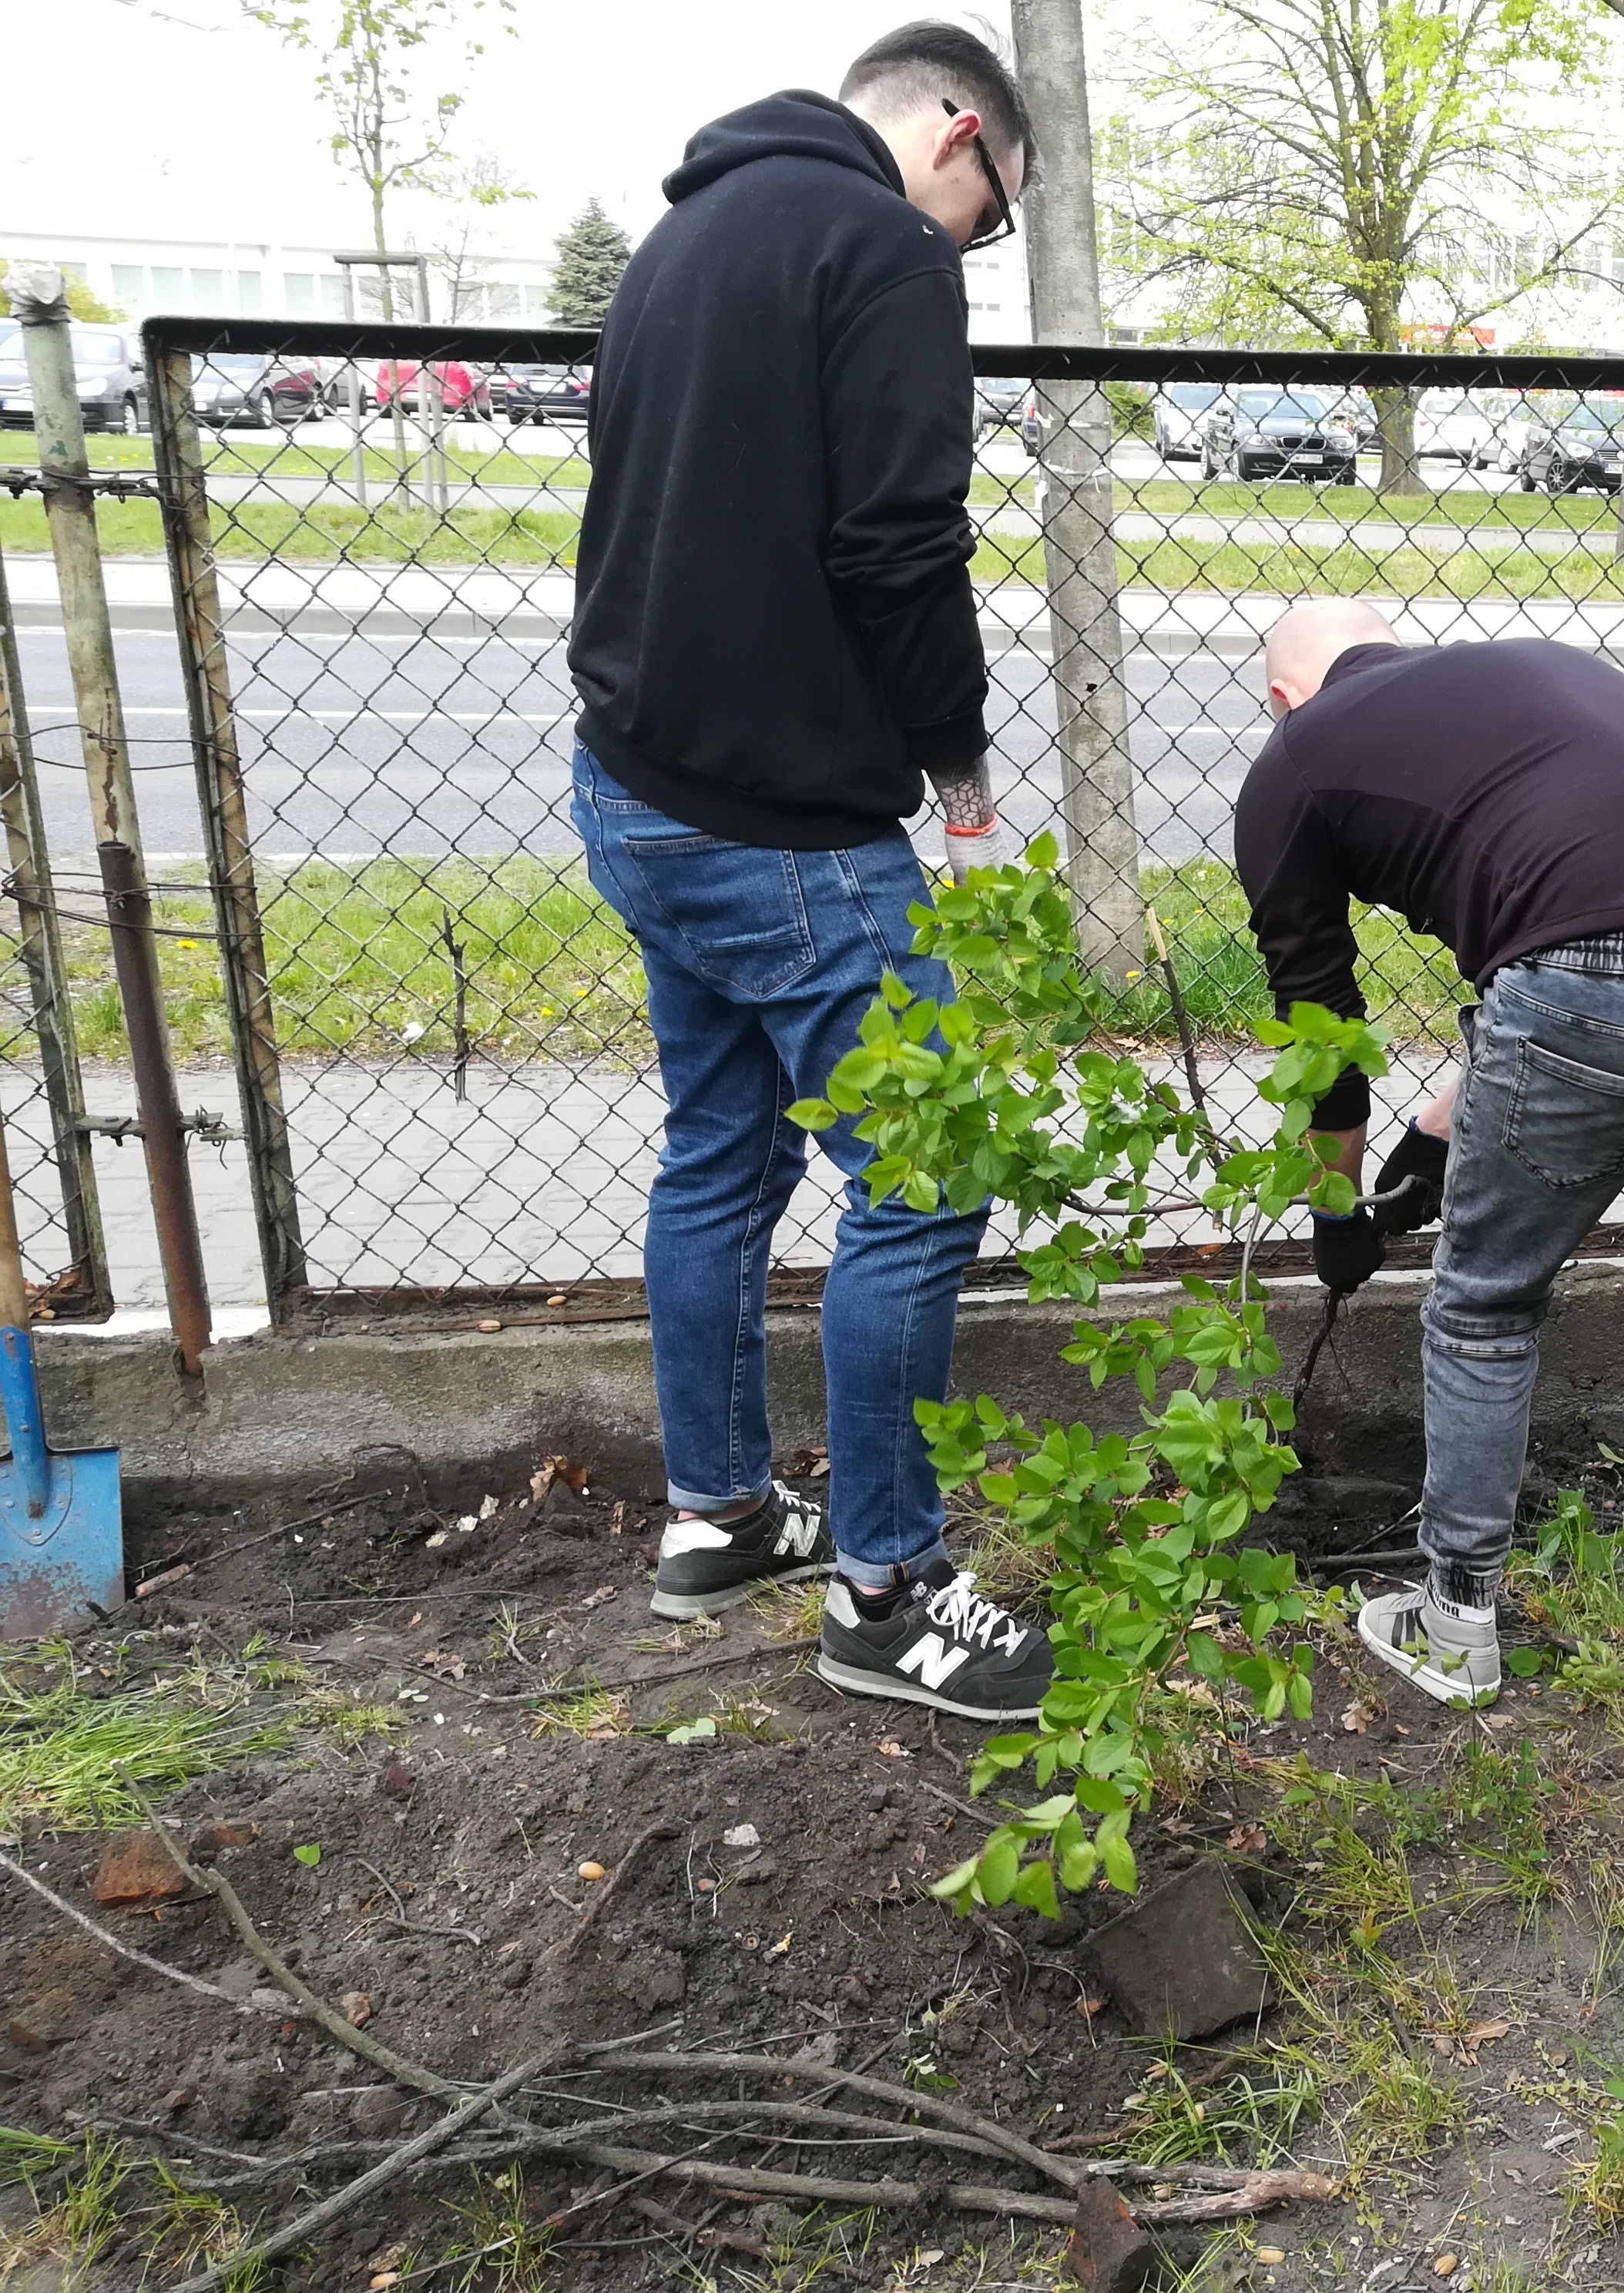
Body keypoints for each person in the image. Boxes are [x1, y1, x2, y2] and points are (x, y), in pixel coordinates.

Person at [567, 22, 1054, 1721]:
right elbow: (900, 543)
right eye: (995, 212)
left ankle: (719, 1517)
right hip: (781, 831)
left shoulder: (681, 237)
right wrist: (962, 782)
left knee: (724, 1148)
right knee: (926, 1179)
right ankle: (886, 1593)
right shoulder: (885, 250)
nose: (977, 242)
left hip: (634, 789)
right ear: (959, 131)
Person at [1236, 603, 1624, 1708]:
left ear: (1282, 698)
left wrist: (1333, 1211)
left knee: (1485, 1308)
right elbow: (1603, 907)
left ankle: (1454, 1624)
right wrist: (1435, 1135)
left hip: (1593, 982)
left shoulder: (1297, 755)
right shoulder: (1525, 674)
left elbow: (1323, 1036)